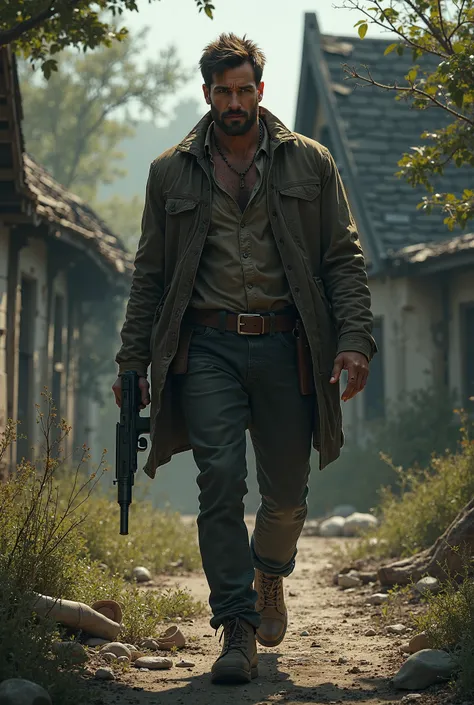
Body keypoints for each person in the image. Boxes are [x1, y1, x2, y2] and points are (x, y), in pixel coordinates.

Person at [112, 33, 376, 686]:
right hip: (206, 348)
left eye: (245, 89)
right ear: (206, 94)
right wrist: (132, 359)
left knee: (287, 495)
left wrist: (353, 339)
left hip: (290, 345)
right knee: (219, 481)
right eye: (222, 91)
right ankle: (235, 624)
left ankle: (269, 576)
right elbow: (150, 273)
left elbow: (342, 257)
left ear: (261, 88)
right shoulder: (170, 171)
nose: (235, 101)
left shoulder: (309, 165)